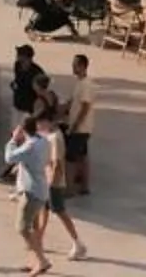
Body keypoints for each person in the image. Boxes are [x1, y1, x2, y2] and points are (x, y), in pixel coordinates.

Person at [3, 111, 57, 277]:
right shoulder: (43, 141)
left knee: (22, 227)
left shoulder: (29, 146)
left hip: (30, 193)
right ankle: (36, 261)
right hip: (41, 190)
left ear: (23, 130)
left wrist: (13, 139)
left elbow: (9, 158)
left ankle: (42, 261)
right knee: (33, 228)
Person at [38, 111, 90, 261]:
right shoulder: (51, 135)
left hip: (53, 182)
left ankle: (78, 243)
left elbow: (57, 163)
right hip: (47, 180)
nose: (39, 127)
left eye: (41, 123)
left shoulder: (55, 138)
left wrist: (52, 182)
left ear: (48, 122)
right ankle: (39, 239)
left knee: (60, 212)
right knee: (44, 209)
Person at [62, 53, 97, 197]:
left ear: (82, 66)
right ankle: (84, 186)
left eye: (75, 64)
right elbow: (71, 103)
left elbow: (85, 107)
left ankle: (69, 188)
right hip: (82, 128)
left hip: (81, 128)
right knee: (82, 156)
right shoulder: (79, 83)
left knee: (70, 159)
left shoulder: (86, 85)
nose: (73, 67)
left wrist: (74, 126)